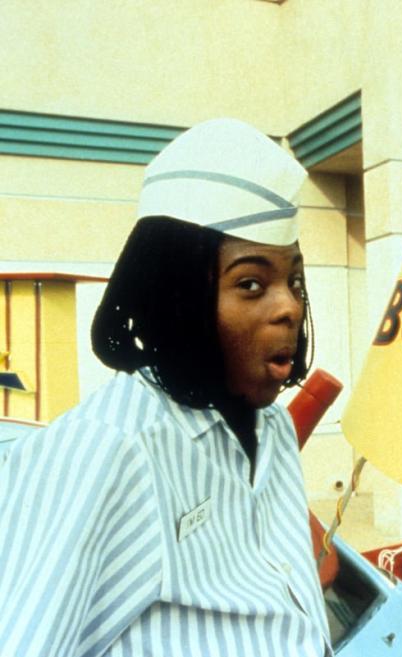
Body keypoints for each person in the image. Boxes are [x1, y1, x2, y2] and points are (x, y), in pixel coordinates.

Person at [0, 119, 333, 656]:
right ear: (177, 299)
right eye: (251, 283)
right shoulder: (107, 446)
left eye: (293, 280)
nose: (290, 306)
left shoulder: (270, 428)